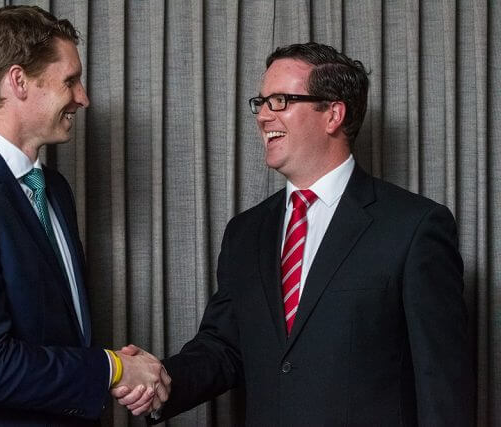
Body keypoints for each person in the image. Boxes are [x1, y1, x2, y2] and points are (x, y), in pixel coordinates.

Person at [115, 42, 474, 425]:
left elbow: (442, 380)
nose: (263, 116)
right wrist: (162, 382)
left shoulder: (414, 226)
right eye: (261, 102)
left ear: (333, 113)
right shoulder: (246, 232)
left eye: (281, 100)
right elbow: (224, 348)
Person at [0, 5, 169, 426]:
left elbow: (53, 334)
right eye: (70, 80)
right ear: (18, 81)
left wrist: (116, 368)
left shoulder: (54, 190)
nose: (83, 97)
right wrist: (112, 369)